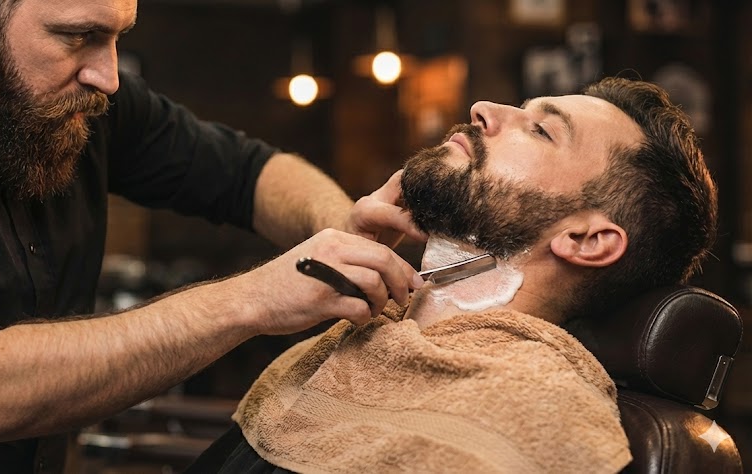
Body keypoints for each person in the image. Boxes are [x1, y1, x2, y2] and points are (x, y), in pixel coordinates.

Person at [0, 0, 429, 472]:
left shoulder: (74, 99)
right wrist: (250, 301)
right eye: (78, 36)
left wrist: (339, 224)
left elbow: (249, 173)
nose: (105, 73)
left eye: (117, 35)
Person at [186, 77, 718, 473]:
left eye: (540, 129)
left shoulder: (535, 415)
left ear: (586, 239)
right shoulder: (363, 337)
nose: (484, 108)